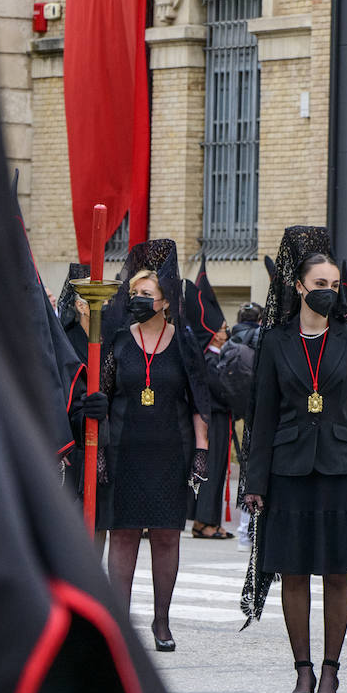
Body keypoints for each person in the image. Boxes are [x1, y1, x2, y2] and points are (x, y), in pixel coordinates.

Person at [241, 229, 347, 693]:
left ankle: (331, 671)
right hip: (289, 471)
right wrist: (254, 481)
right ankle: (302, 670)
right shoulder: (275, 341)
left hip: (342, 471)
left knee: (338, 573)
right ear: (299, 287)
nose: (329, 289)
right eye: (320, 281)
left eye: (335, 282)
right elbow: (261, 417)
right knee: (294, 571)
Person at [82, 240, 211, 653]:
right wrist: (99, 448)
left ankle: (161, 621)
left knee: (166, 537)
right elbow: (101, 395)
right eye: (133, 293)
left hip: (170, 451)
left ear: (165, 303)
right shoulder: (118, 340)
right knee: (121, 535)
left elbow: (198, 400)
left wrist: (203, 451)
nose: (137, 300)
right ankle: (119, 624)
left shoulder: (184, 341)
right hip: (124, 449)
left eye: (145, 295)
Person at [184, 263, 237, 540]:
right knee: (211, 471)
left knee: (213, 471)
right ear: (215, 332)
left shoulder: (214, 357)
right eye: (224, 328)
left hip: (218, 419)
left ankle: (205, 521)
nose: (226, 332)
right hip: (213, 419)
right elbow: (220, 388)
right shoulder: (209, 358)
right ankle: (205, 522)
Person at [57, 262, 90, 363]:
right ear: (81, 306)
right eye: (98, 300)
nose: (105, 304)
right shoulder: (68, 342)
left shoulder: (110, 334)